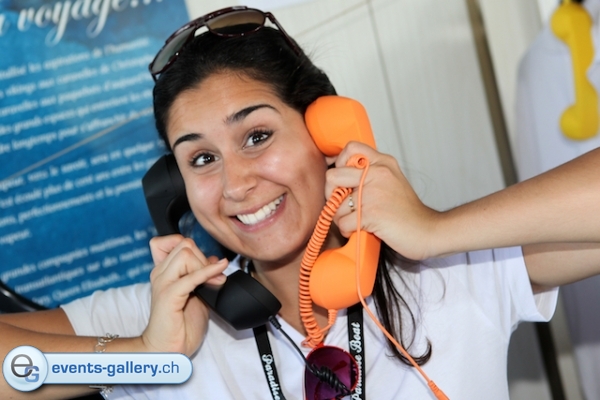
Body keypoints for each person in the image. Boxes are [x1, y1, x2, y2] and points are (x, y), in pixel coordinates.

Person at [1, 6, 600, 400]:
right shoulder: (171, 316)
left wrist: (436, 232)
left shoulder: (452, 272)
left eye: (256, 136)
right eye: (202, 158)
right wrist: (142, 357)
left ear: (327, 132)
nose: (236, 185)